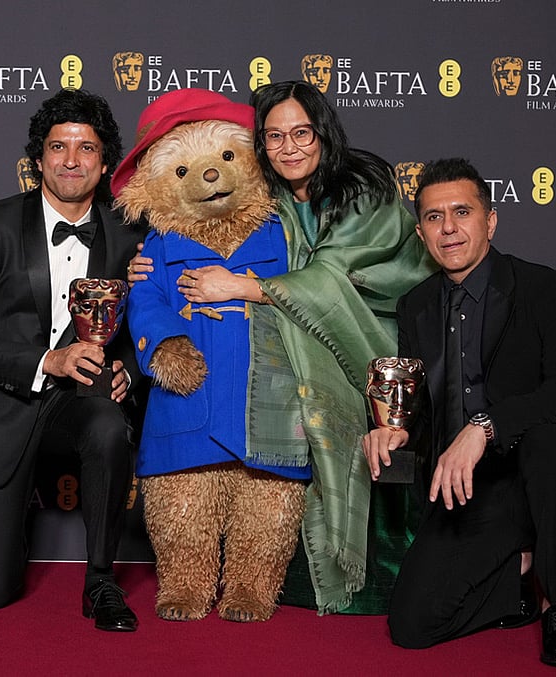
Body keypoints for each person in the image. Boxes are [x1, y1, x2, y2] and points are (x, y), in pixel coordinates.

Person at [128, 80, 434, 614]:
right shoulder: (238, 221)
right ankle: (204, 583)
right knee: (189, 499)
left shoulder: (332, 206)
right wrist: (160, 326)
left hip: (317, 373)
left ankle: (289, 583)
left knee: (275, 495)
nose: (290, 147)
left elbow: (330, 280)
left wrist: (244, 287)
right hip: (228, 384)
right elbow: (149, 298)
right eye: (275, 136)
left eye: (302, 133)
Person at [362, 158, 556, 667]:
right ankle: (519, 572)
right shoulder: (417, 305)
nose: (449, 228)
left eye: (462, 212)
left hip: (538, 472)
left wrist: (485, 427)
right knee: (412, 626)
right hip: (471, 488)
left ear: (491, 220)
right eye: (434, 217)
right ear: (421, 232)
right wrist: (392, 432)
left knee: (552, 443)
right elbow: (425, 413)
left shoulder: (543, 287)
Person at [0, 88, 147, 632]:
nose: (71, 160)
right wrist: (47, 360)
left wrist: (127, 365)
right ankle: (1, 538)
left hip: (79, 403)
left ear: (105, 163)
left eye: (86, 148)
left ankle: (100, 581)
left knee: (106, 426)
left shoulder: (130, 236)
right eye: (58, 146)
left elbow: (146, 326)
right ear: (37, 159)